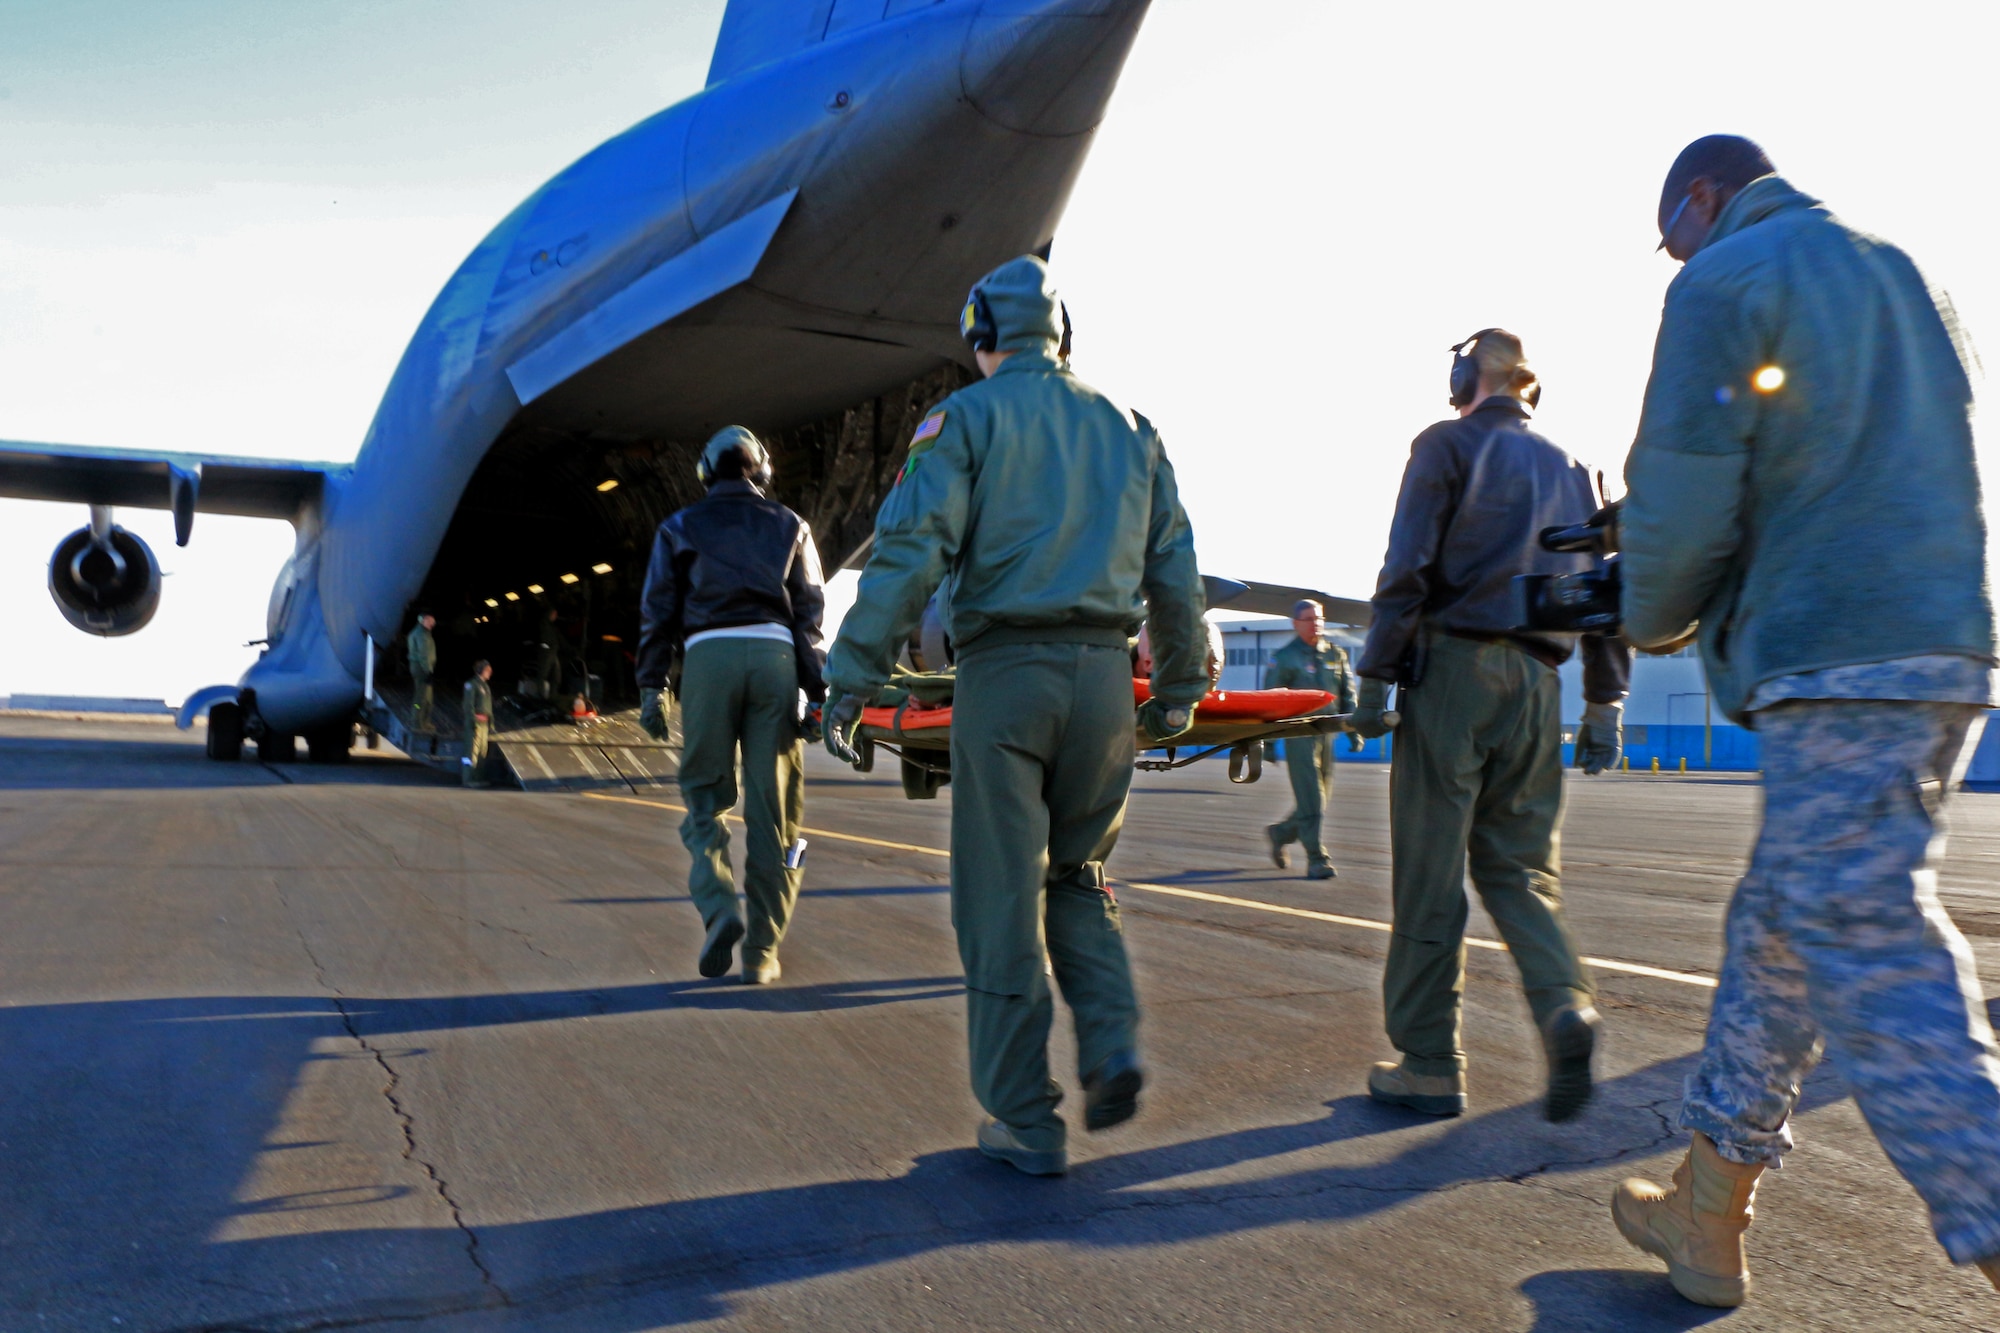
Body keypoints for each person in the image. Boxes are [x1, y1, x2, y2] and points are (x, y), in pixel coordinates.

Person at [1609, 135, 2000, 1308]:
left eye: (1668, 228)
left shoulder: (1725, 276)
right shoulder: (1901, 269)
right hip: (1942, 638)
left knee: (1866, 940)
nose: (1668, 253)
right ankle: (1706, 1209)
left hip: (1838, 649)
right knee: (1778, 929)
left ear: (1703, 195)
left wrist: (1647, 612)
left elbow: (1680, 486)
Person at [821, 255, 1208, 1177]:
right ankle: (1111, 1039)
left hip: (1005, 679)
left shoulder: (965, 420)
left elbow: (911, 553)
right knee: (1077, 874)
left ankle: (1025, 1119)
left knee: (1000, 899)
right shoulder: (1132, 428)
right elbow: (1177, 574)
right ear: (1064, 333)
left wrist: (852, 673)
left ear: (984, 338)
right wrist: (1182, 687)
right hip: (1106, 686)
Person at [1349, 327, 1631, 1124]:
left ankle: (1430, 1062)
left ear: (1464, 376)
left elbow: (1407, 565)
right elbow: (1604, 592)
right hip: (1539, 684)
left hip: (1455, 671)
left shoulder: (1445, 445)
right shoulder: (1575, 469)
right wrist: (1605, 701)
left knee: (1432, 873)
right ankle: (1564, 1006)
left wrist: (1375, 673)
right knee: (1521, 871)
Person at [636, 426, 826, 987]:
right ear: (761, 470)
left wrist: (652, 686)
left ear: (705, 472)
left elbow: (658, 611)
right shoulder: (792, 524)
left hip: (707, 659)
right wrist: (817, 696)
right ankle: (763, 952)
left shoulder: (678, 527)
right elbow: (809, 615)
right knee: (779, 816)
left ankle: (720, 907)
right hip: (772, 661)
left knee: (704, 801)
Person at [1263, 598, 1359, 880]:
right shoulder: (1284, 657)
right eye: (1309, 619)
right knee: (1313, 802)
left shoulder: (1335, 653)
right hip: (1299, 734)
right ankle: (1317, 859)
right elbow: (1270, 701)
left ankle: (1281, 833)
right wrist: (1268, 743)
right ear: (1295, 624)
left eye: (1319, 618)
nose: (1316, 624)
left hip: (1327, 734)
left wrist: (1354, 729)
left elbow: (1348, 692)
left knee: (1319, 801)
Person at [461, 659, 493, 788]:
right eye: (488, 670)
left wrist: (491, 723)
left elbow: (488, 706)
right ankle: (468, 778)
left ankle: (478, 777)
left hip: (484, 723)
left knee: (482, 752)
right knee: (471, 753)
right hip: (476, 723)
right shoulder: (471, 685)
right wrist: (472, 720)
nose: (490, 673)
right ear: (481, 670)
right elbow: (468, 705)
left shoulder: (485, 686)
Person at [406, 611, 437, 734]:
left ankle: (425, 722)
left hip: (424, 667)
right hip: (421, 668)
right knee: (420, 698)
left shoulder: (424, 633)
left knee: (427, 697)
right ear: (422, 620)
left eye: (433, 622)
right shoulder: (421, 635)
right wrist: (428, 670)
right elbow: (423, 654)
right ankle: (417, 722)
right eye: (430, 621)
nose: (432, 624)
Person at [533, 607, 565, 700]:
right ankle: (541, 696)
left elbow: (560, 639)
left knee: (556, 676)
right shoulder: (543, 624)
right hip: (547, 653)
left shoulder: (553, 627)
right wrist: (546, 647)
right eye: (554, 614)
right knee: (543, 675)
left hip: (553, 652)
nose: (555, 616)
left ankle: (553, 696)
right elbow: (543, 638)